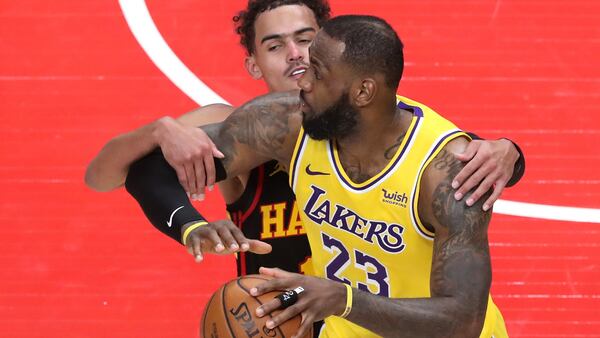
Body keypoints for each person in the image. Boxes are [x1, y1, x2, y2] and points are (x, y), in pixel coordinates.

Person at [125, 14, 509, 337]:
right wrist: (190, 225)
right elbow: (151, 169)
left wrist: (343, 299)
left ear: (362, 91)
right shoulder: (290, 122)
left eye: (319, 73)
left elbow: (462, 320)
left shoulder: (443, 173)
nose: (303, 81)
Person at [85, 0, 523, 275]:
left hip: (365, 320)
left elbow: (450, 158)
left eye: (305, 40)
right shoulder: (233, 125)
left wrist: (509, 153)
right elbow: (102, 177)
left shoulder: (366, 113)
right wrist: (160, 133)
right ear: (254, 64)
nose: (295, 55)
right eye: (275, 46)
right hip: (276, 321)